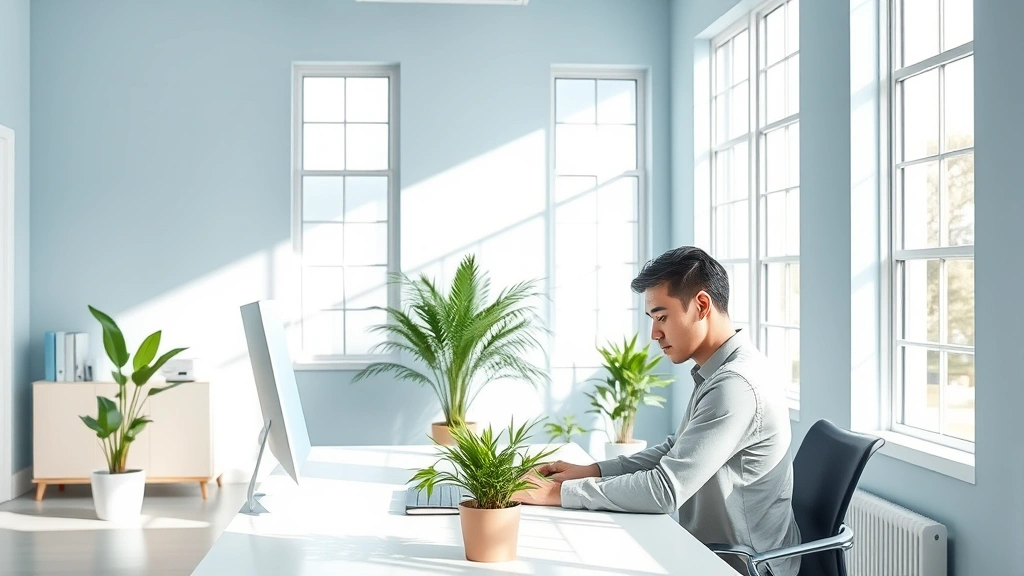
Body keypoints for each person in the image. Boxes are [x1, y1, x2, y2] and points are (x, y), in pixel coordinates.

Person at [513, 246, 801, 576]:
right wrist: (591, 470)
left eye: (662, 317)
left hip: (742, 566)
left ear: (701, 306)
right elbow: (674, 450)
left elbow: (665, 491)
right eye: (652, 320)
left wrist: (557, 493)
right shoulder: (720, 370)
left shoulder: (735, 384)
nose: (655, 334)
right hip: (711, 550)